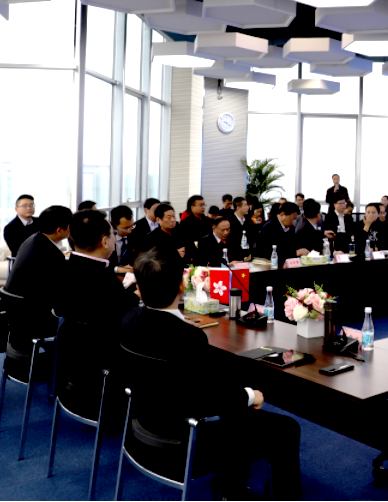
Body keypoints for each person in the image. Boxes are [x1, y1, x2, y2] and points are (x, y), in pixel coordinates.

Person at [119, 249, 302, 500]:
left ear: (139, 287)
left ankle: (233, 487)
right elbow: (207, 400)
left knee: (233, 395)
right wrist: (250, 396)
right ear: (182, 286)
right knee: (286, 428)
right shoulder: (188, 337)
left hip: (140, 432)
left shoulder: (129, 319)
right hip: (182, 446)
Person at [56, 209, 139, 353]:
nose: (115, 239)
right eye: (113, 234)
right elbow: (118, 311)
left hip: (68, 347)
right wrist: (137, 295)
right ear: (105, 241)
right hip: (102, 349)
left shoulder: (63, 267)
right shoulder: (101, 276)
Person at [3, 205, 73, 351]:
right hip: (34, 317)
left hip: (17, 313)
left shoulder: (33, 240)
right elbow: (59, 294)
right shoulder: (51, 254)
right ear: (59, 230)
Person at [109, 205, 136, 274]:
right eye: (126, 228)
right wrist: (117, 269)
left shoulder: (135, 235)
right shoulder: (107, 240)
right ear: (114, 225)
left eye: (132, 226)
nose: (130, 231)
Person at [227, 197, 254, 262]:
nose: (248, 207)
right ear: (238, 208)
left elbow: (253, 235)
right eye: (245, 205)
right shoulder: (229, 221)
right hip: (234, 256)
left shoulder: (248, 220)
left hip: (248, 255)